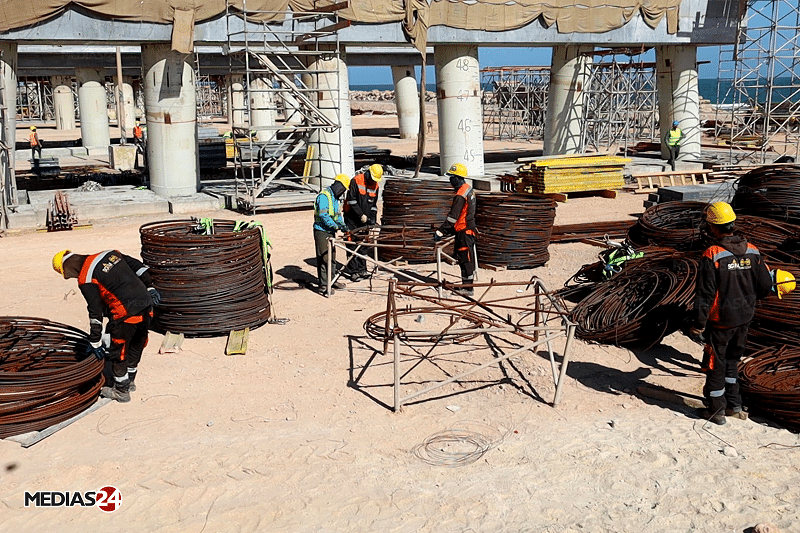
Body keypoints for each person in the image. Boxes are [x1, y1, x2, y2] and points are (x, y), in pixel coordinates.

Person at [688, 202, 795, 425]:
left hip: (721, 320)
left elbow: (705, 294)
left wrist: (698, 324)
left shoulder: (713, 254)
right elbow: (766, 286)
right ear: (733, 224)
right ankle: (735, 406)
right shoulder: (753, 250)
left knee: (715, 364)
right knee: (732, 361)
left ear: (714, 228)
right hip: (744, 318)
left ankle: (716, 410)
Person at [52, 249, 161, 403]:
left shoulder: (86, 277)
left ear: (68, 268)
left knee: (119, 351)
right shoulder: (110, 254)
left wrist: (95, 340)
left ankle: (121, 391)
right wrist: (150, 287)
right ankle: (130, 382)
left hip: (126, 313)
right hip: (146, 305)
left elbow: (95, 311)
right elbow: (138, 266)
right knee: (137, 343)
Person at [434, 163, 477, 296]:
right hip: (467, 228)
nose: (450, 180)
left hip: (464, 231)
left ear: (457, 178)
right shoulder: (469, 189)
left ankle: (468, 288)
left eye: (451, 177)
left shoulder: (460, 195)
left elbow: (453, 216)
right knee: (466, 258)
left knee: (465, 258)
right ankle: (467, 285)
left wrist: (441, 231)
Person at [343, 164, 384, 281]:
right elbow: (351, 201)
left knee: (363, 244)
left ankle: (362, 269)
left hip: (364, 220)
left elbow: (373, 205)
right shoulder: (356, 180)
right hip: (351, 218)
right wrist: (361, 215)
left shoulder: (375, 185)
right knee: (352, 243)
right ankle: (353, 272)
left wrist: (372, 219)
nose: (373, 181)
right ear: (368, 174)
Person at [314, 174, 350, 297]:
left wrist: (343, 225)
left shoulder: (335, 198)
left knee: (332, 257)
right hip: (321, 231)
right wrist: (335, 226)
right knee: (324, 257)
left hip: (330, 231)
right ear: (338, 185)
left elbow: (337, 215)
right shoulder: (324, 196)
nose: (343, 192)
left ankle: (332, 280)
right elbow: (324, 216)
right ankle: (323, 285)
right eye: (343, 189)